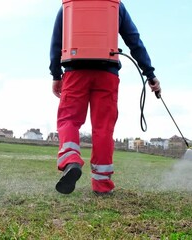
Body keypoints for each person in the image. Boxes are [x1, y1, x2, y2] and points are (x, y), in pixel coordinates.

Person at [49, 1, 161, 195]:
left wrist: (56, 74)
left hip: (76, 71)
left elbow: (56, 41)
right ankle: (101, 184)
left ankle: (70, 160)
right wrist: (150, 74)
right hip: (107, 74)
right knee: (103, 128)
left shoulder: (69, 5)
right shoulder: (116, 5)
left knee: (68, 119)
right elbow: (134, 41)